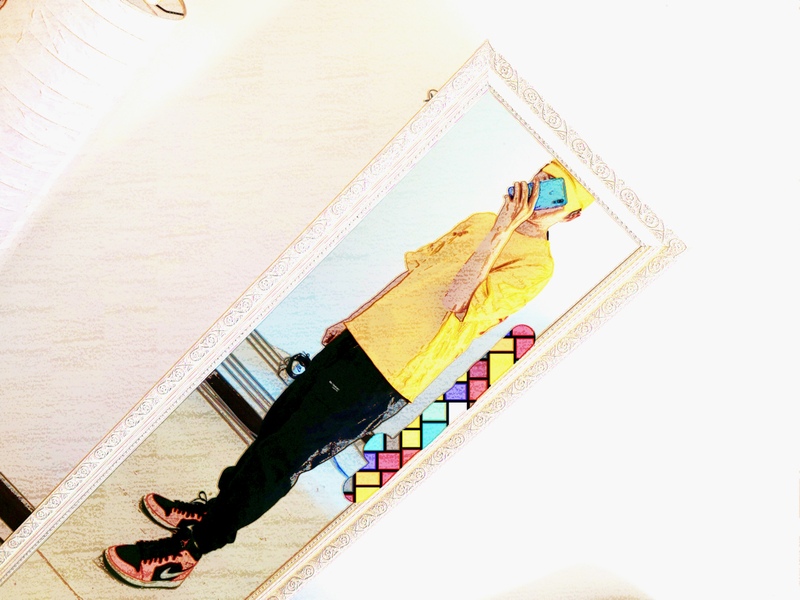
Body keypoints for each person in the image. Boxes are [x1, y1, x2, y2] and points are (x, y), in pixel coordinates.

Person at [103, 159, 594, 588]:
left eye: (555, 195)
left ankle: (191, 550)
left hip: (389, 372)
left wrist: (503, 229)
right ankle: (216, 508)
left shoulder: (536, 267)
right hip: (360, 340)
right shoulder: (479, 219)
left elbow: (456, 301)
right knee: (276, 427)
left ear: (570, 216)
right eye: (540, 179)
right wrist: (354, 318)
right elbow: (415, 273)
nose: (539, 194)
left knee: (284, 456)